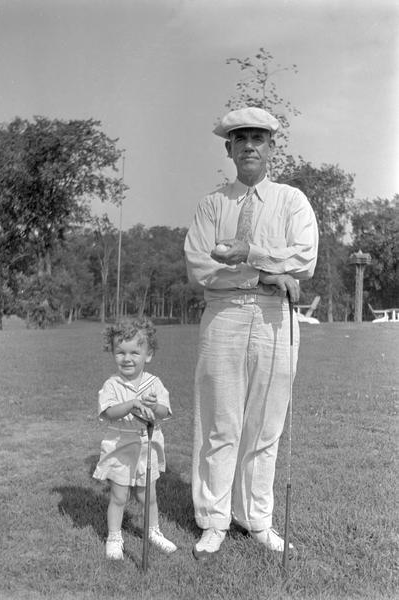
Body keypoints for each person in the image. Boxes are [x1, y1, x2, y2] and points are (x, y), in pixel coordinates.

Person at [184, 106, 318, 560]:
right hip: (223, 316)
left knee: (265, 424)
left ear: (271, 147)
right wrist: (264, 271)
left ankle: (256, 519)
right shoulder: (212, 204)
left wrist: (250, 253)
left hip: (275, 320)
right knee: (220, 423)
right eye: (240, 139)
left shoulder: (291, 201)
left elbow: (304, 260)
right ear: (229, 148)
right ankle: (214, 520)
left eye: (258, 138)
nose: (249, 146)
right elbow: (200, 269)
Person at [93, 317, 177, 560]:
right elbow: (108, 413)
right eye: (120, 352)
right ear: (113, 353)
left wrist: (155, 406)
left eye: (134, 352)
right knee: (119, 496)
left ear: (148, 355)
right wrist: (130, 404)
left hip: (147, 444)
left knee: (147, 495)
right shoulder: (112, 384)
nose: (127, 358)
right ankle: (114, 537)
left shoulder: (154, 383)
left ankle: (153, 531)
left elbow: (164, 412)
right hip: (121, 445)